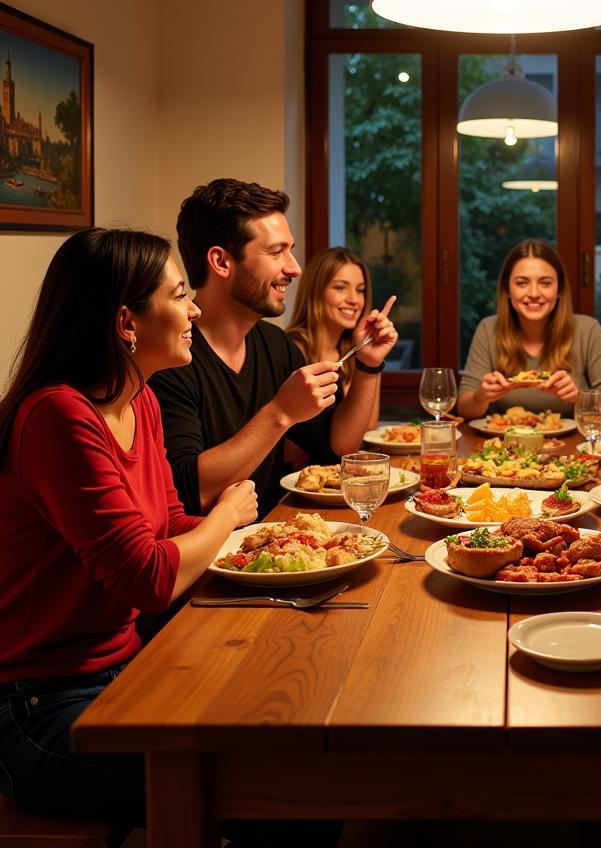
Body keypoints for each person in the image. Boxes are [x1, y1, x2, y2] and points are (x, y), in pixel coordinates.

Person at [0, 228, 258, 828]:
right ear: (126, 323)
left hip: (125, 671)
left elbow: (168, 523)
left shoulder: (137, 398)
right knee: (269, 785)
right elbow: (148, 579)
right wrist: (228, 518)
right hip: (38, 708)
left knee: (283, 739)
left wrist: (263, 544)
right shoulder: (60, 416)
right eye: (178, 295)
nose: (195, 308)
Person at [150, 179, 396, 518]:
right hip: (210, 562)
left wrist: (368, 365)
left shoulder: (276, 345)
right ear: (221, 262)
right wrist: (280, 413)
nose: (294, 267)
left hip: (275, 542)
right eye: (276, 251)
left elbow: (336, 447)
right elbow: (190, 490)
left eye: (290, 250)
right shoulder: (169, 358)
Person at [456, 240, 601, 421]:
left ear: (559, 290)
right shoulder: (488, 329)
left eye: (545, 283)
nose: (534, 293)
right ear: (507, 290)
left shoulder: (587, 329)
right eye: (521, 283)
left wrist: (579, 398)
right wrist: (482, 396)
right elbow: (464, 407)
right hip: (506, 445)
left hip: (576, 446)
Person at [287, 246, 380, 430]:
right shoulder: (290, 348)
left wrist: (373, 361)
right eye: (340, 288)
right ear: (316, 292)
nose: (354, 300)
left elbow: (369, 425)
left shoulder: (356, 353)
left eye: (360, 290)